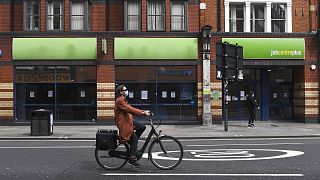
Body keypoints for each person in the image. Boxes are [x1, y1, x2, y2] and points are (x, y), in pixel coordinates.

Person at [114, 85, 150, 167]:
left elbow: (130, 108)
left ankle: (131, 142)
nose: (127, 90)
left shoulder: (123, 99)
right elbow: (129, 109)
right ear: (121, 92)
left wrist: (143, 111)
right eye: (125, 89)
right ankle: (131, 158)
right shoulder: (120, 100)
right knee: (135, 139)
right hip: (124, 123)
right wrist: (143, 113)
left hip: (128, 120)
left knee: (142, 127)